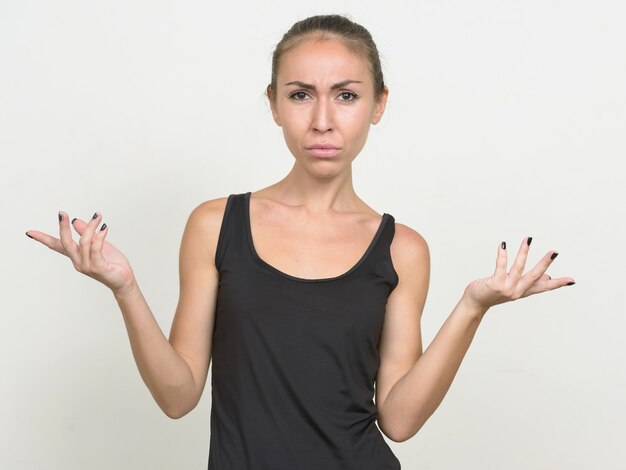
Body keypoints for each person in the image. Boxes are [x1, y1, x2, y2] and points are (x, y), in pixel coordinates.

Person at [25, 13, 575, 470]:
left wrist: (473, 307)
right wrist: (124, 288)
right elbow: (178, 395)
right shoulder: (216, 224)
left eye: (346, 95)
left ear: (378, 105)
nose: (322, 120)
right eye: (300, 94)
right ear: (273, 104)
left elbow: (400, 420)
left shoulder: (402, 248)